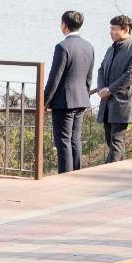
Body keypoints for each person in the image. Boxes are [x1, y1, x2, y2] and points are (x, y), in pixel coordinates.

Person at [43, 10, 95, 173]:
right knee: (75, 139)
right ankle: (77, 172)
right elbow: (89, 77)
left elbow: (55, 77)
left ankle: (65, 174)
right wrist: (85, 95)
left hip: (64, 101)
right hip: (81, 100)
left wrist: (44, 102)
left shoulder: (62, 47)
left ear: (64, 25)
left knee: (63, 140)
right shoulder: (89, 46)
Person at [95, 14, 132, 164]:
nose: (111, 32)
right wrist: (101, 89)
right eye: (110, 28)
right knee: (111, 140)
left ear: (125, 30)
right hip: (107, 102)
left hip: (123, 102)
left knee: (117, 141)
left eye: (114, 29)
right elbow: (101, 70)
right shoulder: (111, 49)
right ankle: (118, 169)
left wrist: (110, 89)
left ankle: (108, 173)